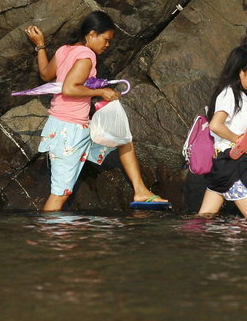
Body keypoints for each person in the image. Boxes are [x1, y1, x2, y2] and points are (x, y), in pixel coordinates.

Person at [24, 11, 167, 212]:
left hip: (75, 128)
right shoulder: (86, 55)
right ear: (91, 34)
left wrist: (40, 46)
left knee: (122, 138)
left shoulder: (65, 50)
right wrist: (102, 91)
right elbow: (69, 88)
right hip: (69, 132)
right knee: (60, 194)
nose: (107, 45)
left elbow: (45, 73)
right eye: (105, 39)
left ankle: (141, 191)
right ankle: (48, 239)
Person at [197, 45, 247, 219]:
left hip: (223, 164)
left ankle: (193, 243)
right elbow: (215, 125)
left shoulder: (238, 95)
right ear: (241, 72)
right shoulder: (229, 94)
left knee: (205, 217)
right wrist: (239, 140)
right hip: (231, 165)